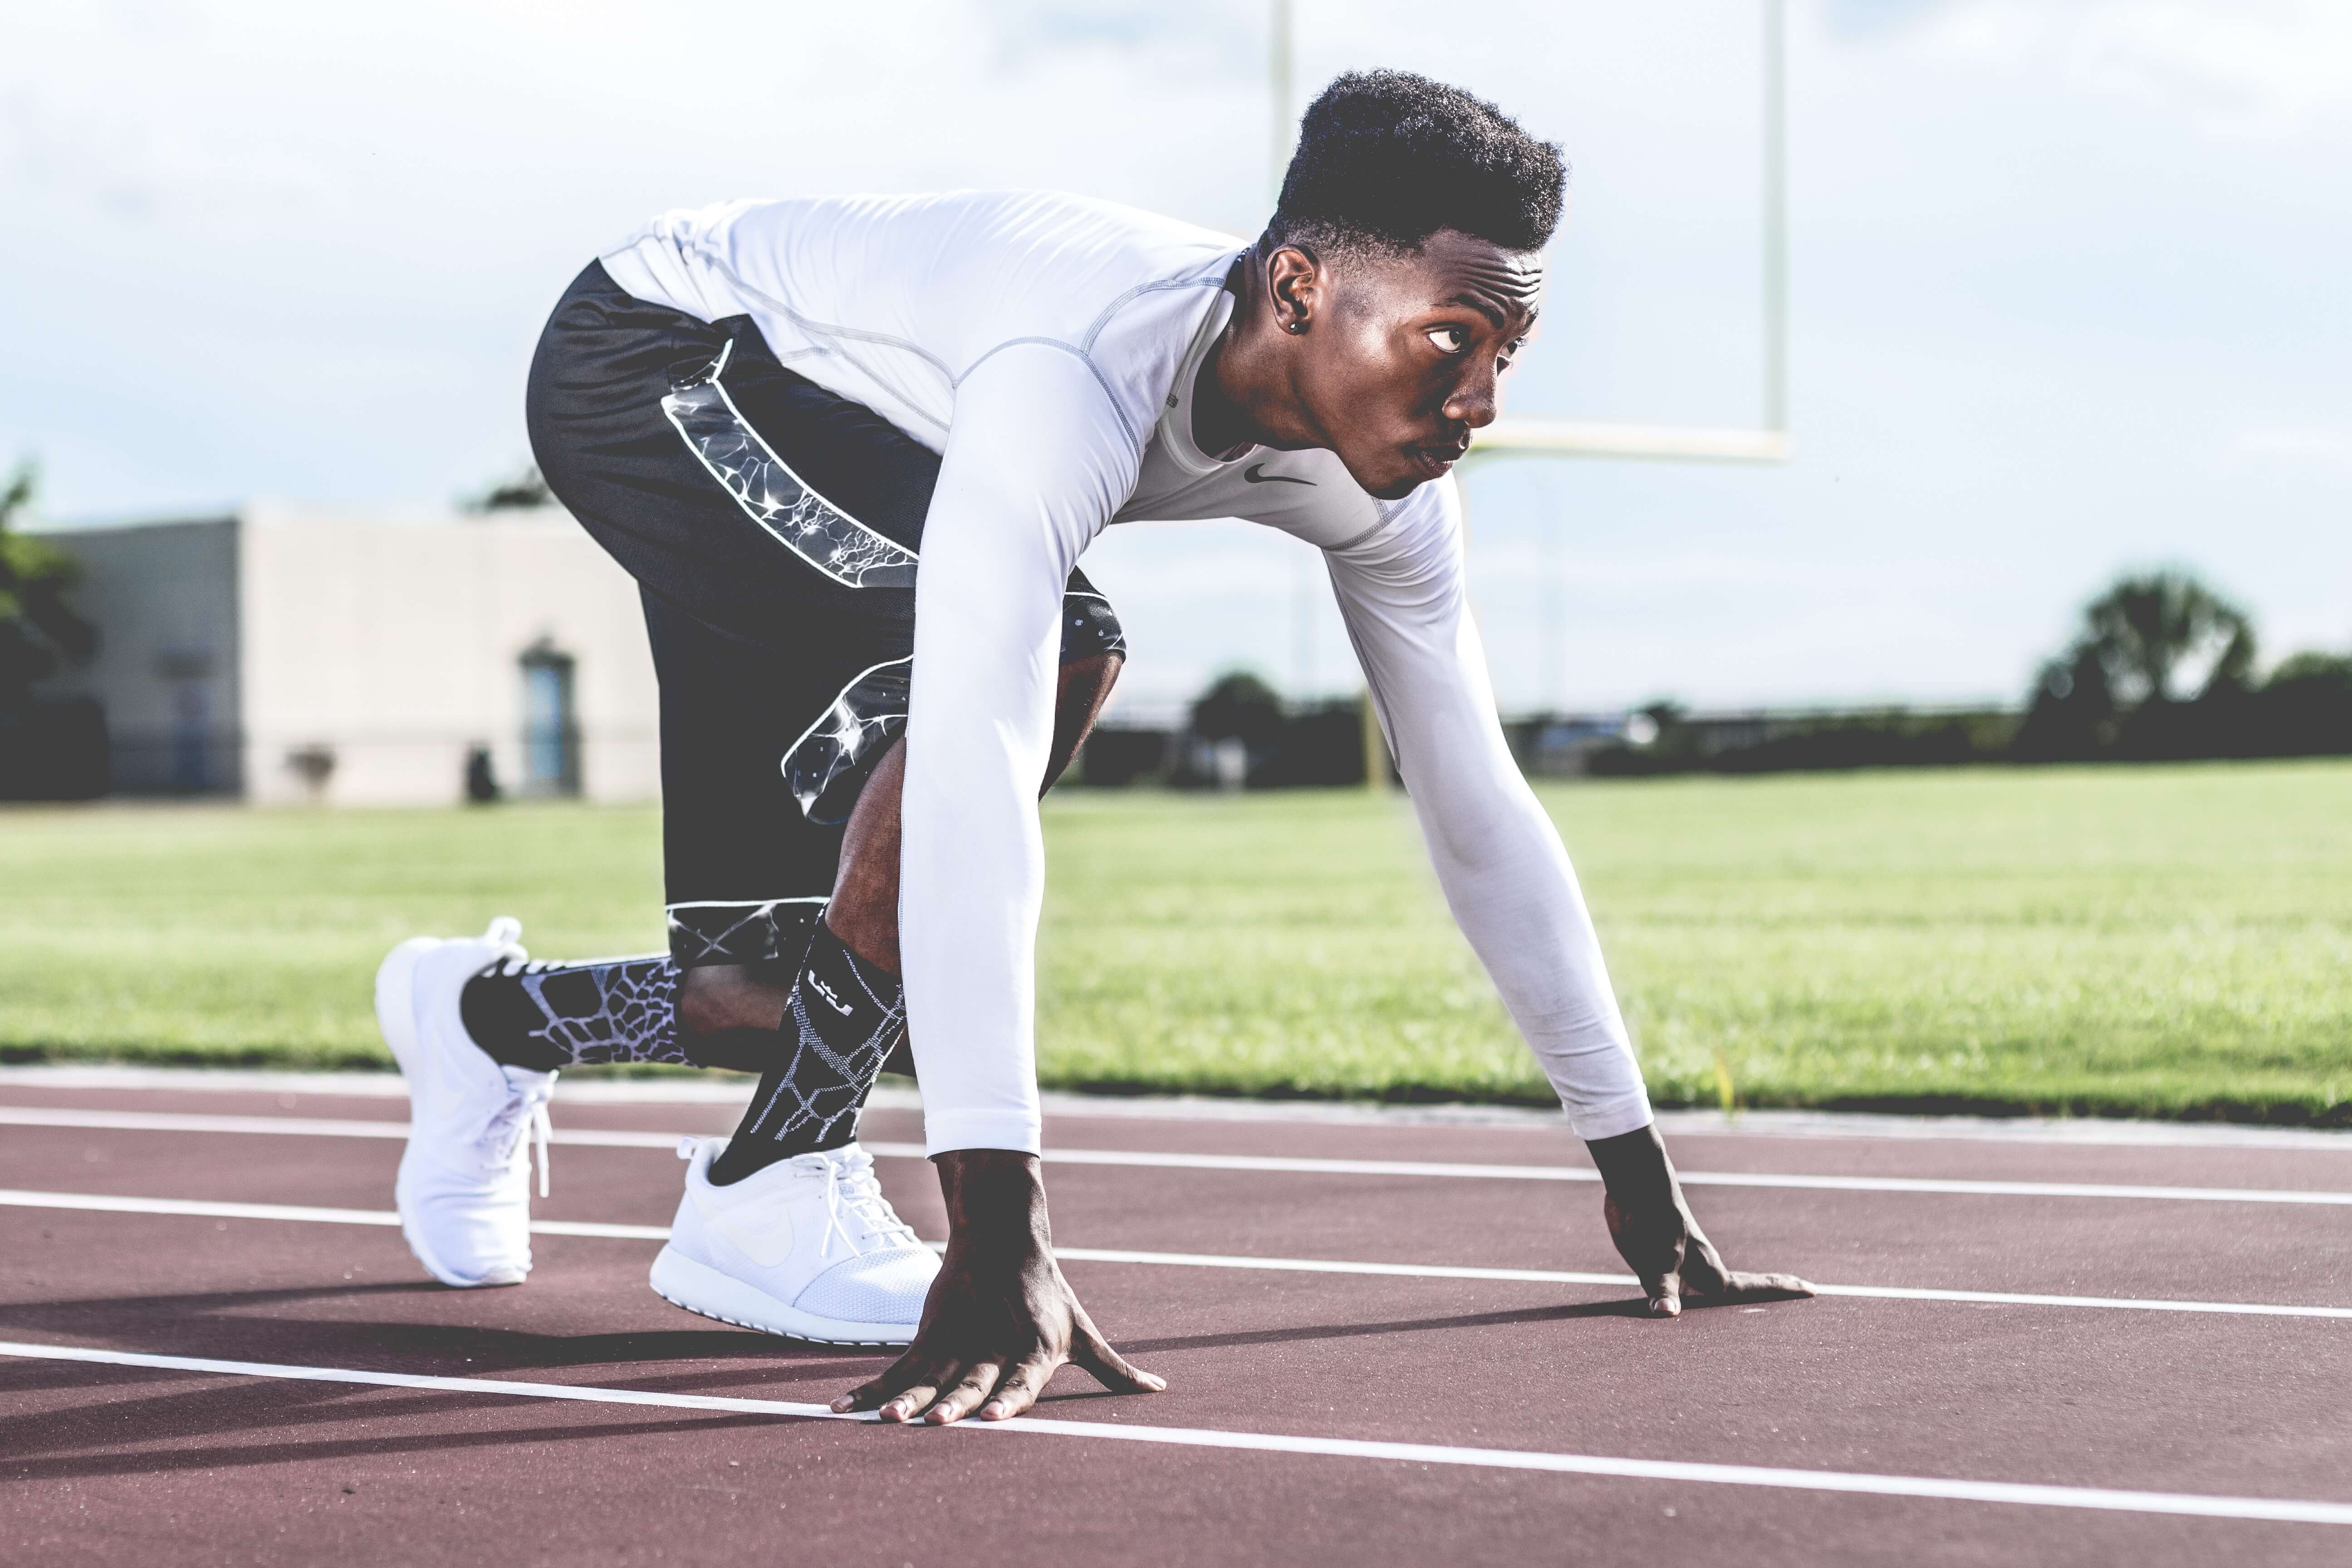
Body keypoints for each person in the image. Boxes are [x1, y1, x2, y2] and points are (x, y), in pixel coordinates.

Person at [374, 68, 1811, 1428]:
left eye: (1508, 352)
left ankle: (486, 1020)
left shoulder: (1390, 492)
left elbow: (1477, 805)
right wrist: (998, 1233)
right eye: (1452, 338)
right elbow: (979, 769)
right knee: (1058, 651)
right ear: (1298, 288)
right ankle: (774, 1178)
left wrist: (1635, 1174)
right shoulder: (1074, 370)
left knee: (768, 990)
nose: (1484, 401)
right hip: (658, 356)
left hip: (864, 426)